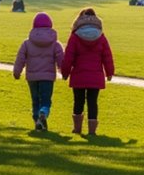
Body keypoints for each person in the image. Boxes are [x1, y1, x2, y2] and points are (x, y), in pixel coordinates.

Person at [61, 8, 115, 136]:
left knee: (78, 101)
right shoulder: (101, 37)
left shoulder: (75, 37)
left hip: (79, 75)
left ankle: (77, 128)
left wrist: (65, 72)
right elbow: (107, 56)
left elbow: (69, 56)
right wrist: (109, 72)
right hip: (95, 75)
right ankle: (92, 131)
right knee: (92, 102)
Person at [13, 12, 65, 131]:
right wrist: (64, 72)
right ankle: (43, 113)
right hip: (47, 77)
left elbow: (20, 58)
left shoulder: (27, 43)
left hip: (32, 77)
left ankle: (38, 121)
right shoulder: (55, 43)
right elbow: (61, 59)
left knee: (35, 100)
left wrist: (17, 72)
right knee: (46, 100)